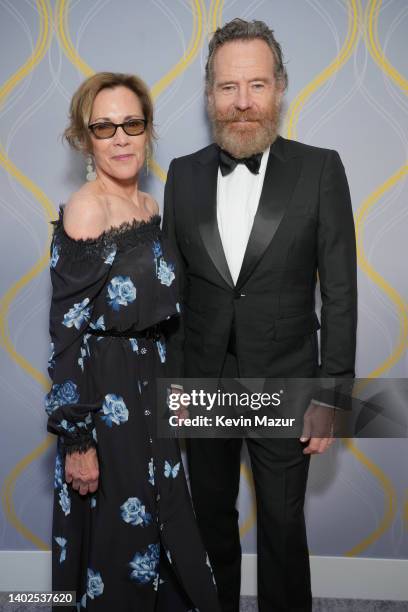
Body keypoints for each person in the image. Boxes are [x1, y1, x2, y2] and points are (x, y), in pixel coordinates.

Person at [163, 19, 357, 612]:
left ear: (279, 89)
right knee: (210, 519)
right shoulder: (182, 173)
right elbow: (174, 296)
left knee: (281, 524)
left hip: (288, 380)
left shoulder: (321, 168)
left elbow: (341, 291)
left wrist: (332, 396)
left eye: (256, 85)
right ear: (209, 95)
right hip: (203, 379)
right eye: (228, 87)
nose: (242, 102)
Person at [45, 72, 221, 612]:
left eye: (132, 124)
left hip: (155, 389)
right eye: (104, 127)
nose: (120, 138)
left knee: (166, 523)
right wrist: (78, 441)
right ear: (84, 138)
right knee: (121, 544)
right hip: (108, 400)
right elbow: (66, 334)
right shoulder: (86, 209)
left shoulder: (148, 206)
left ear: (147, 132)